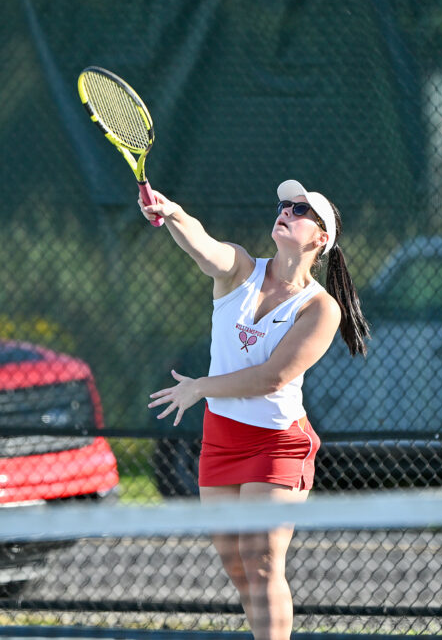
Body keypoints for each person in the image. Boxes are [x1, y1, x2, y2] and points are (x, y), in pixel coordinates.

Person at [143, 179, 369, 640]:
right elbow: (206, 248)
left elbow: (273, 377)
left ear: (321, 238)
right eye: (284, 204)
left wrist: (202, 387)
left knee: (263, 560)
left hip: (278, 443)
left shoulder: (321, 309)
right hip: (222, 438)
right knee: (236, 564)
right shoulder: (241, 270)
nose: (286, 210)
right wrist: (173, 213)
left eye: (300, 210)